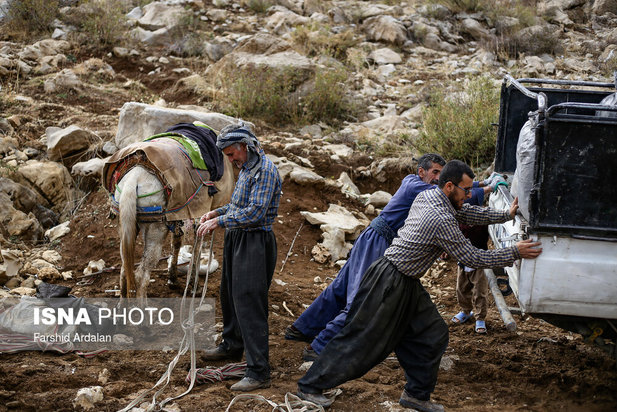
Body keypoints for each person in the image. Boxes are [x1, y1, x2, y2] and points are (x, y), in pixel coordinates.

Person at [296, 160, 542, 411]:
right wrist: (515, 252)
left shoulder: (432, 198)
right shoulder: (439, 217)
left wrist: (504, 214)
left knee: (433, 334)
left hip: (404, 280)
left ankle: (416, 395)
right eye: (466, 191)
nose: (469, 195)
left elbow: (467, 213)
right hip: (390, 282)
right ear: (449, 186)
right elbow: (472, 257)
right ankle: (310, 386)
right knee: (362, 340)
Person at [285, 153, 447, 360]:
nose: (438, 178)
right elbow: (445, 194)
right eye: (435, 172)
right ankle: (320, 347)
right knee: (362, 298)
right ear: (421, 171)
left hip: (372, 238)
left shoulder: (418, 186)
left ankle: (302, 329)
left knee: (341, 288)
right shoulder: (415, 185)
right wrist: (482, 187)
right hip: (377, 241)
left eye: (442, 174)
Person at [197, 123, 282, 392]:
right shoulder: (247, 168)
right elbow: (238, 205)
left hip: (255, 241)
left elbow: (255, 212)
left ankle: (259, 371)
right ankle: (232, 345)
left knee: (249, 302)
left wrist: (220, 223)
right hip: (238, 237)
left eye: (232, 155)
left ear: (245, 147)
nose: (231, 161)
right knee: (229, 294)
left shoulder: (266, 171)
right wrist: (216, 213)